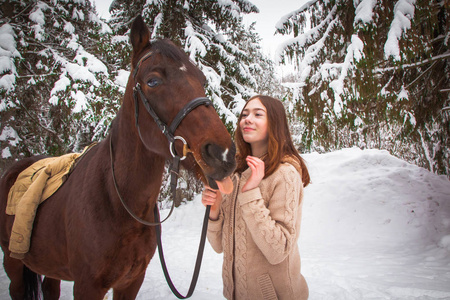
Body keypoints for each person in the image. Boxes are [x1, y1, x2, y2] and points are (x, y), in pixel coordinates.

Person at [202, 95, 310, 300]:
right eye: (244, 114)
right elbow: (219, 247)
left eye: (257, 114)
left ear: (274, 124)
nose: (247, 119)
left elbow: (278, 250)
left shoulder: (284, 174)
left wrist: (251, 192)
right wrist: (215, 211)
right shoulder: (235, 174)